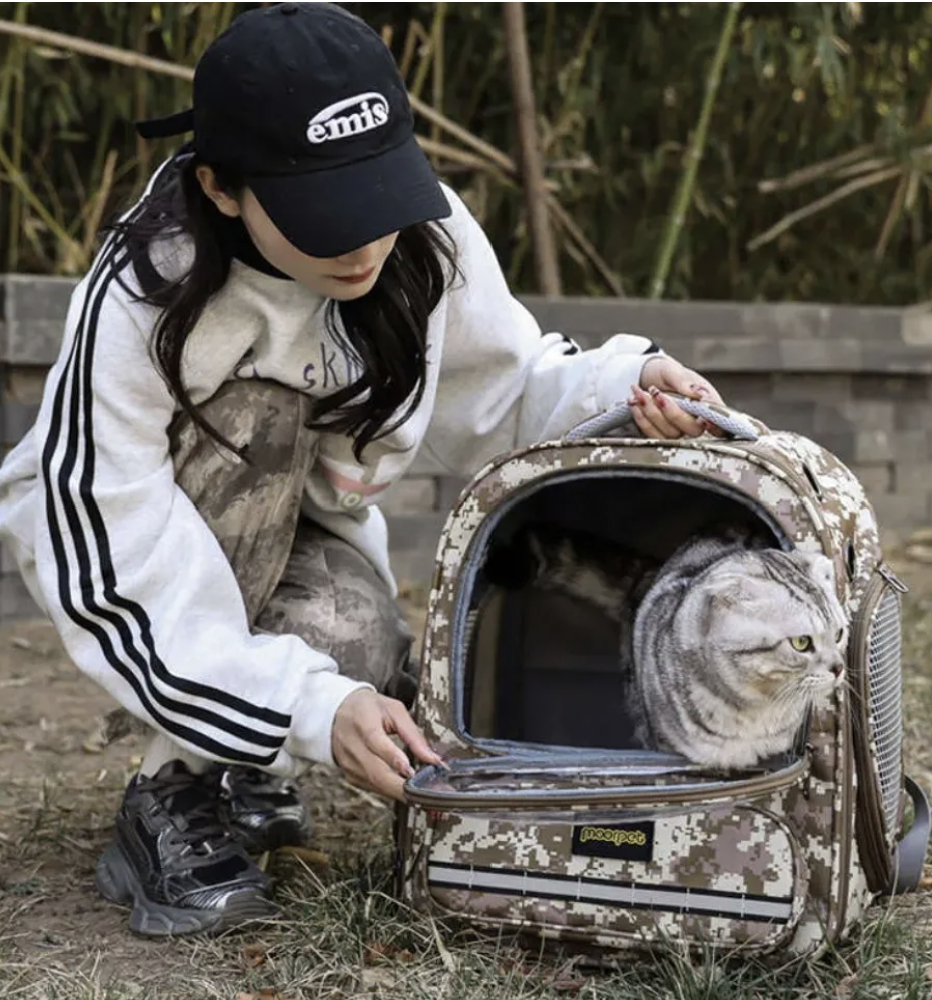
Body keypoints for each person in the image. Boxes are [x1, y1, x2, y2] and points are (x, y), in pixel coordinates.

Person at [0, 2, 723, 937]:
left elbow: (500, 391)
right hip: (144, 531)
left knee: (357, 649)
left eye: (376, 199)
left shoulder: (422, 234)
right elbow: (106, 525)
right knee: (258, 430)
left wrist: (619, 385)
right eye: (323, 213)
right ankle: (170, 784)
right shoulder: (153, 286)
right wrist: (299, 703)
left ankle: (245, 760)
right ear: (220, 188)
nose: (362, 244)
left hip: (310, 532)